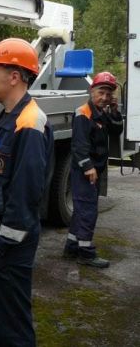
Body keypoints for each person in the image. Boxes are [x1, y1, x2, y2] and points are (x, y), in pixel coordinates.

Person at [0, 38, 53, 347]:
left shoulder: (29, 123)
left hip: (7, 251)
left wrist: (2, 247)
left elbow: (25, 196)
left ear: (14, 76)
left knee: (11, 332)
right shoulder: (6, 117)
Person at [63, 71, 123, 268]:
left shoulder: (102, 112)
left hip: (95, 171)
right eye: (101, 92)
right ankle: (86, 253)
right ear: (92, 91)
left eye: (108, 94)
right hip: (85, 173)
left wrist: (114, 111)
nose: (104, 97)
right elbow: (79, 146)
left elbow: (116, 130)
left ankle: (71, 247)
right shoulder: (83, 113)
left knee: (81, 210)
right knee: (88, 211)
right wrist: (88, 168)